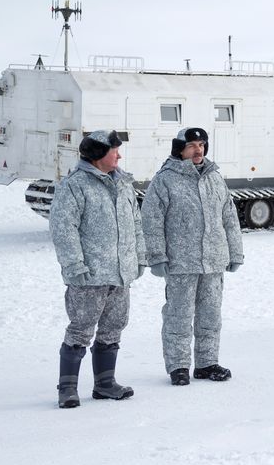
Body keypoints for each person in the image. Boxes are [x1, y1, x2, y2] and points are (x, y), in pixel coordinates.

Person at [50, 130, 146, 408]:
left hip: (120, 273)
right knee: (80, 330)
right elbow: (63, 228)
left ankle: (105, 384)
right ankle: (67, 388)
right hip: (88, 275)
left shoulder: (124, 184)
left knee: (113, 328)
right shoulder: (75, 185)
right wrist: (74, 264)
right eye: (114, 150)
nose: (119, 154)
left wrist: (139, 258)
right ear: (97, 155)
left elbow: (135, 224)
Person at [141, 127, 244, 385]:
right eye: (192, 145)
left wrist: (234, 251)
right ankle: (178, 366)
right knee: (178, 315)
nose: (198, 150)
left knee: (211, 314)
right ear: (180, 149)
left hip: (213, 261)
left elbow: (229, 217)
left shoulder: (214, 177)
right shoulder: (165, 180)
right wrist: (157, 256)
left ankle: (207, 363)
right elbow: (151, 221)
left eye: (201, 144)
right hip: (180, 263)